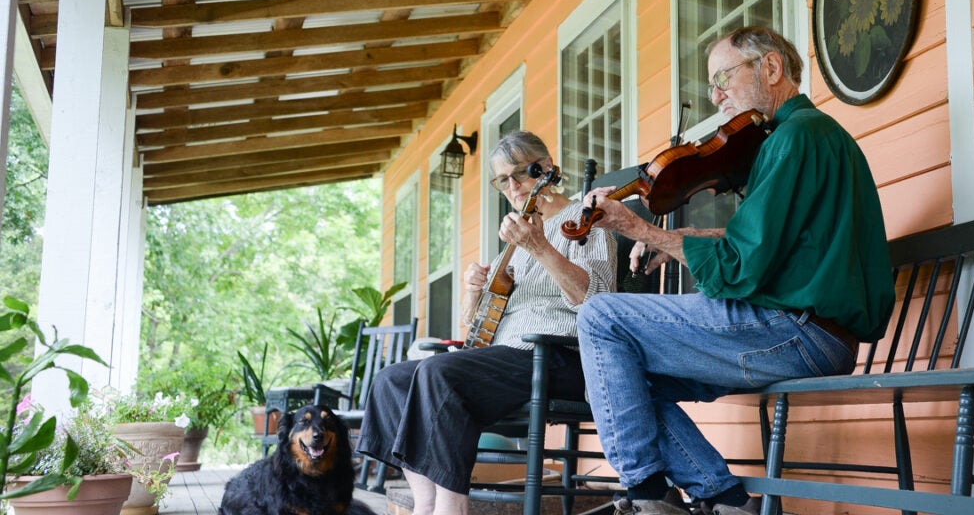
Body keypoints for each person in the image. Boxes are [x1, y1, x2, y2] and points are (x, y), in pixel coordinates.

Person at [577, 26, 895, 515]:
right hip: (811, 331)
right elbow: (771, 247)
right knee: (622, 381)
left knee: (600, 317)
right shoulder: (809, 137)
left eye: (723, 76)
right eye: (711, 84)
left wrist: (641, 230)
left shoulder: (795, 139)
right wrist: (678, 242)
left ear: (771, 68)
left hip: (797, 333)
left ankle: (647, 496)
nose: (715, 94)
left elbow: (741, 268)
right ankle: (726, 500)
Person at [356, 131, 617, 515]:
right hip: (506, 358)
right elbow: (476, 325)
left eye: (519, 174)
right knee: (390, 381)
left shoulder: (586, 217)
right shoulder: (515, 240)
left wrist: (541, 248)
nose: (511, 187)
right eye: (501, 180)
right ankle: (425, 503)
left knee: (438, 374)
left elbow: (597, 300)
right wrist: (470, 292)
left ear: (545, 169)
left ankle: (452, 503)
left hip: (559, 356)